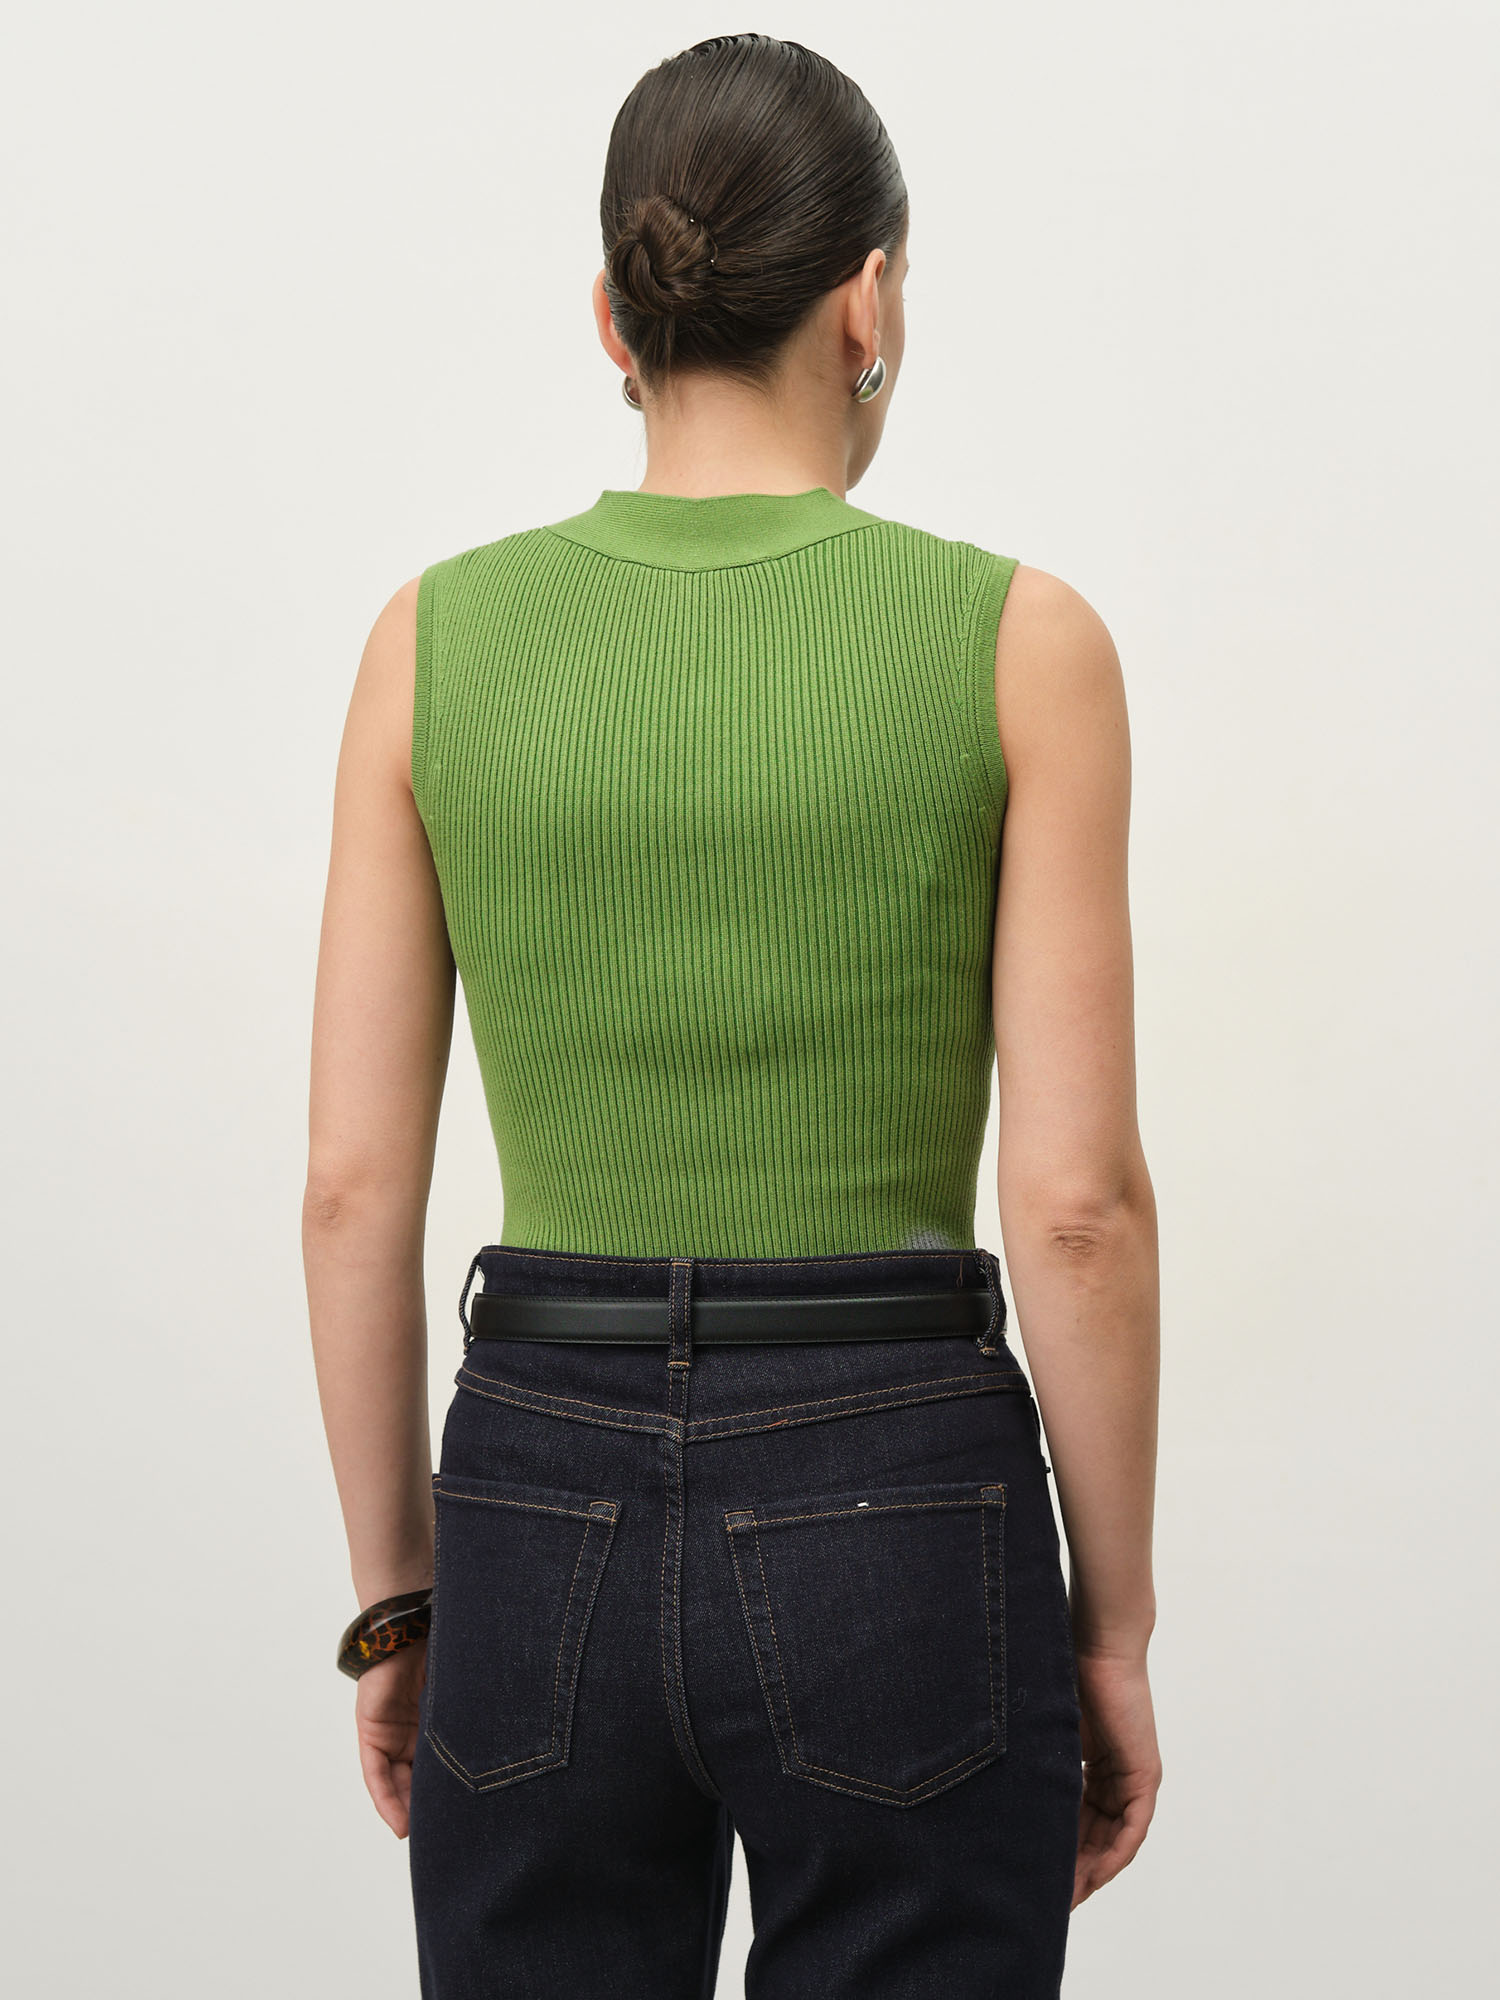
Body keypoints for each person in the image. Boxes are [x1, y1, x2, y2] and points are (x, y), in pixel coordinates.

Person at [304, 30, 1161, 1999]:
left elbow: (351, 1190)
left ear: (615, 317)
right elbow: (1078, 1211)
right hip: (905, 1499)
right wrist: (1107, 1625)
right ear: (869, 302)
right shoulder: (1022, 643)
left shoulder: (430, 642)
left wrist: (402, 1601)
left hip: (534, 1496)